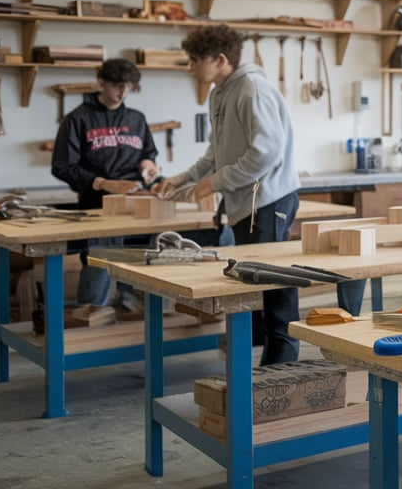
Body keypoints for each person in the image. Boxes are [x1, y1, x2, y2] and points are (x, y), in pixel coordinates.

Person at [157, 24, 363, 365]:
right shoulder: (219, 92)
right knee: (251, 277)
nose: (190, 66)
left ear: (220, 59)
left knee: (275, 281)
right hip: (245, 202)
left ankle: (282, 357)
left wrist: (215, 182)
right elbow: (215, 152)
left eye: (195, 60)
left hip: (268, 200)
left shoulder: (252, 89)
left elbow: (266, 153)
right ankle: (257, 348)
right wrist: (185, 176)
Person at [51, 58, 159, 308]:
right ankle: (91, 314)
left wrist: (148, 165)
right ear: (101, 83)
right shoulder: (77, 119)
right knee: (99, 261)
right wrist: (101, 183)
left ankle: (129, 311)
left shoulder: (137, 119)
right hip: (96, 203)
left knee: (136, 262)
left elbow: (148, 153)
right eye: (117, 85)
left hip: (135, 205)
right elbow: (62, 167)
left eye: (128, 86)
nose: (123, 92)